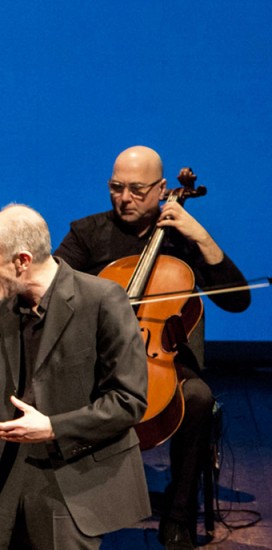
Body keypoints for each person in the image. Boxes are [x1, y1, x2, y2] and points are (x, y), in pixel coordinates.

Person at [0, 204, 151, 549]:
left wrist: (54, 427)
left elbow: (128, 402)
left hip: (72, 476)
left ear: (22, 260)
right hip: (6, 475)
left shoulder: (101, 300)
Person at [54, 145, 251, 549]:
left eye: (137, 190)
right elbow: (51, 287)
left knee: (196, 398)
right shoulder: (87, 233)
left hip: (165, 362)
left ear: (162, 190)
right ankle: (67, 510)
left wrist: (201, 236)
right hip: (99, 360)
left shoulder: (184, 241)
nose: (124, 198)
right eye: (116, 188)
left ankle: (178, 516)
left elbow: (237, 300)